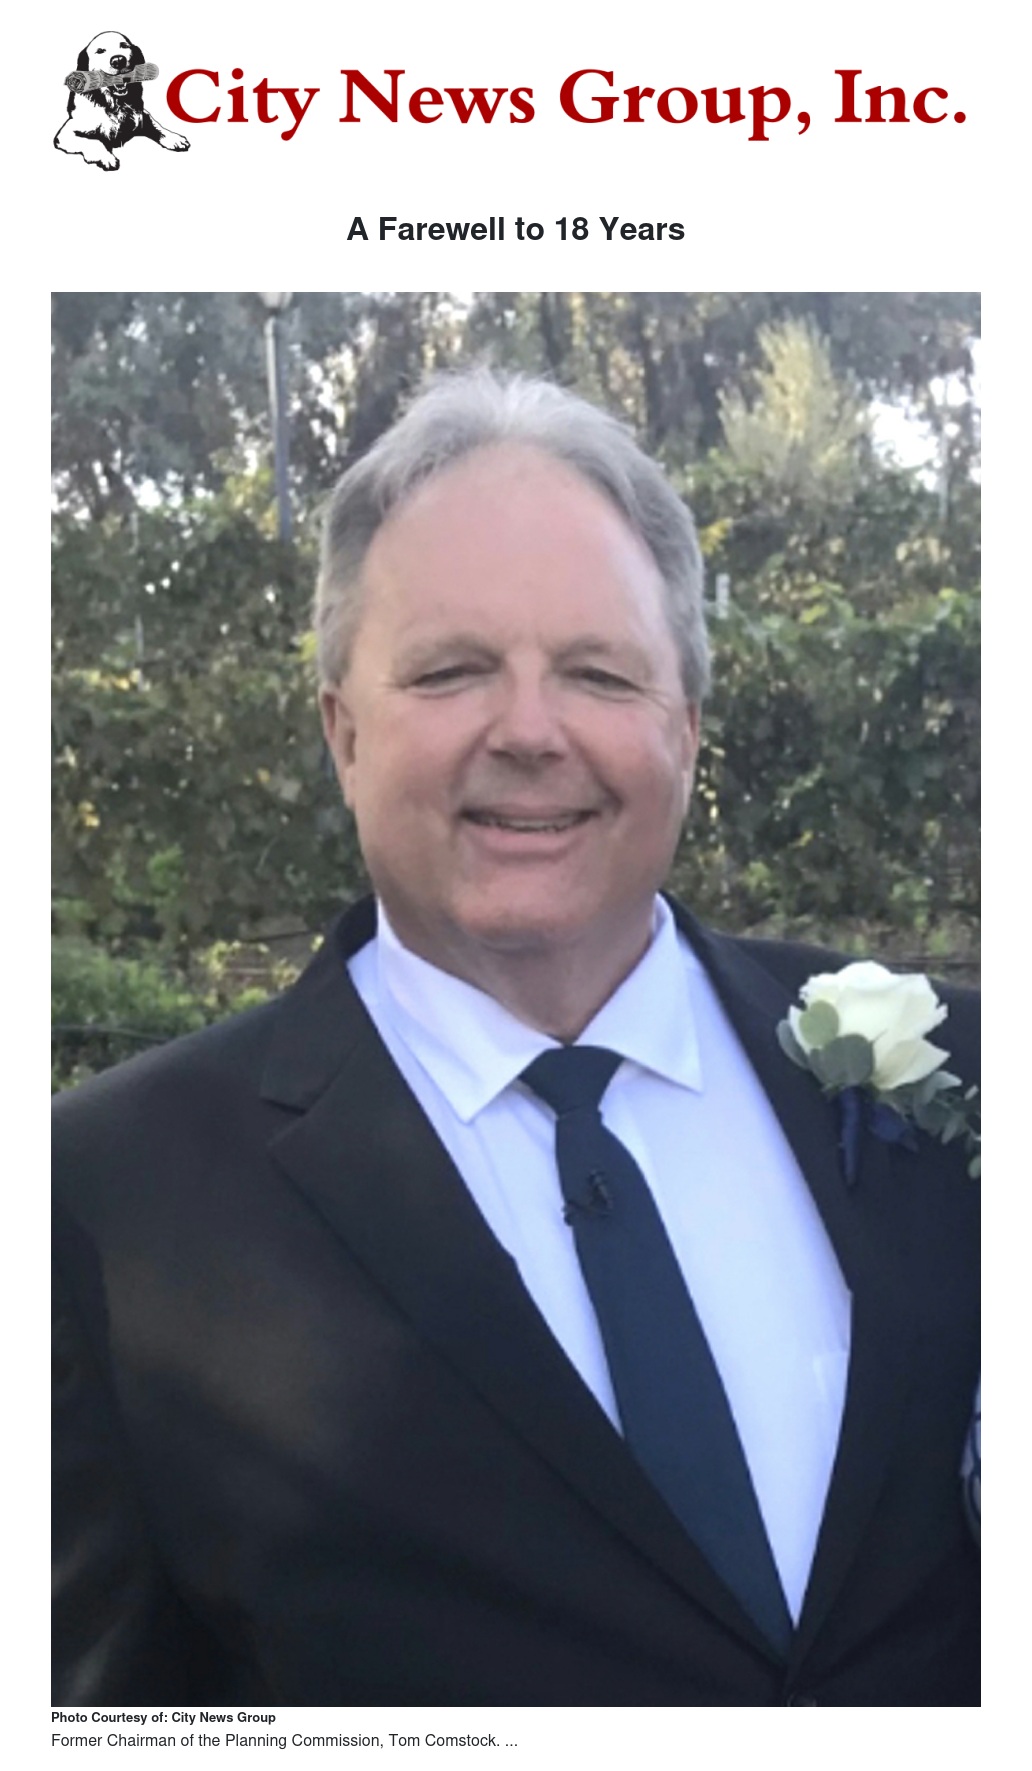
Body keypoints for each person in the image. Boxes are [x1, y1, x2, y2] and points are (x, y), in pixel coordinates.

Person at [52, 370, 979, 1706]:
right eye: (452, 671)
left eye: (598, 673)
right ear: (343, 732)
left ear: (685, 729)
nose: (532, 732)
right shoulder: (102, 1206)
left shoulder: (962, 1084)